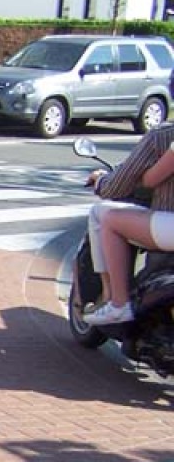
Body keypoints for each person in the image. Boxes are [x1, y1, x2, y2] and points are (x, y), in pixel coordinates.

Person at [81, 122, 174, 325]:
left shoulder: (162, 135)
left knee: (111, 219)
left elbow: (148, 179)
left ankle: (117, 303)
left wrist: (101, 182)